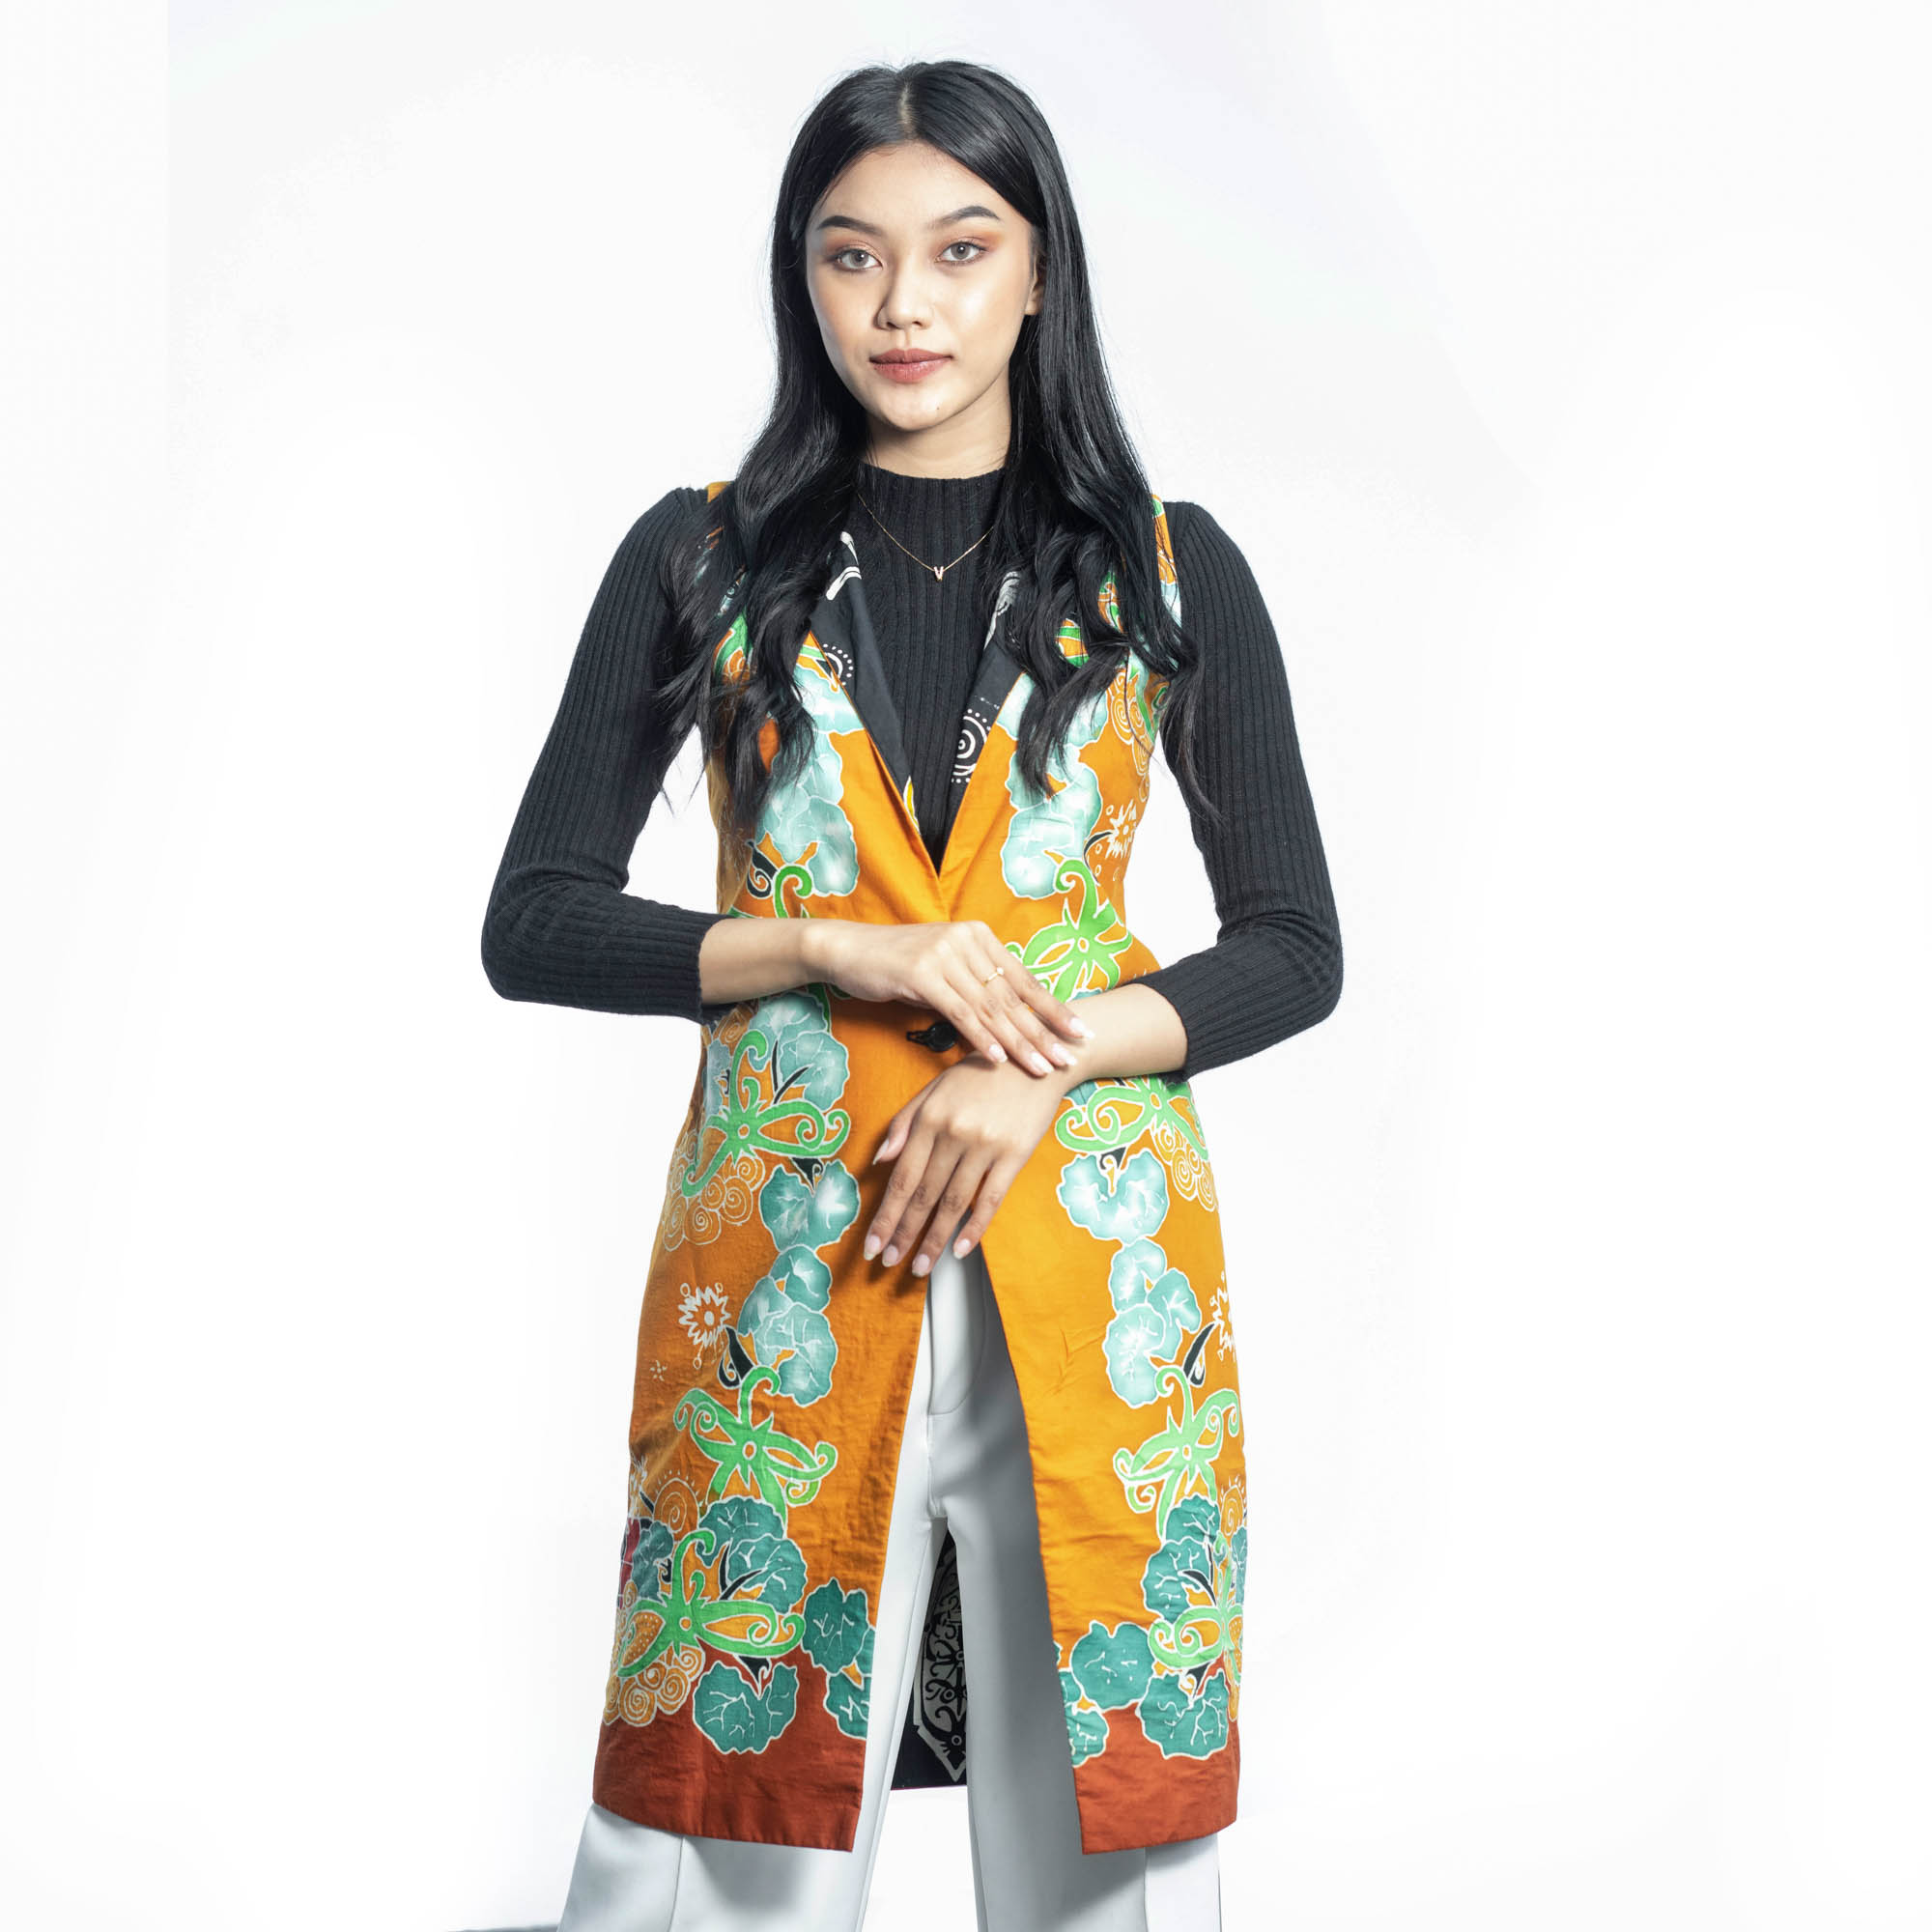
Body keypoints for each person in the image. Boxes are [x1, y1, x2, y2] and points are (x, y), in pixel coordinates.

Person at [481, 57, 1343, 1932]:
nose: (904, 304)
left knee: (1113, 1829)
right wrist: (828, 946)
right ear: (800, 277)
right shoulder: (699, 558)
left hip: (1094, 1282)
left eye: (960, 250)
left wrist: (1042, 1063)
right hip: (787, 1282)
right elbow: (535, 920)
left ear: (1039, 274)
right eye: (850, 253)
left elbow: (1294, 944)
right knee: (718, 1822)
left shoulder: (1166, 570)